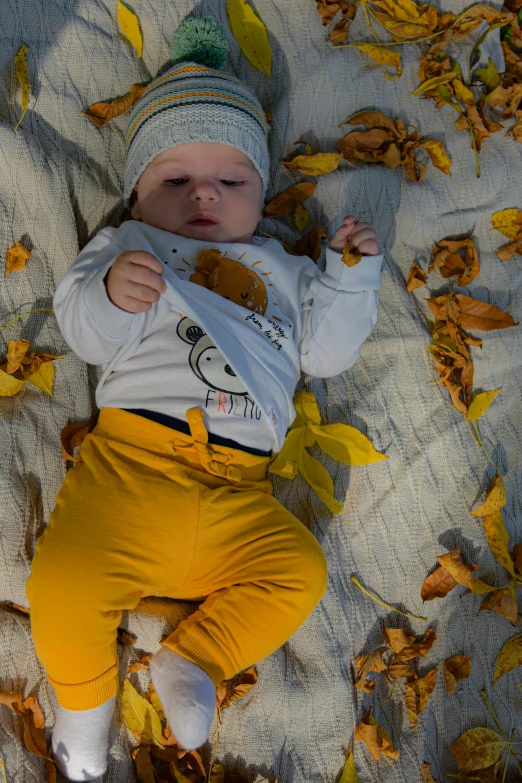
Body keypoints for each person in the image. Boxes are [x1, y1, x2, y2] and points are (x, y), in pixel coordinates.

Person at [25, 16, 383, 782]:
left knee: (300, 569)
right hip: (131, 471)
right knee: (61, 582)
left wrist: (350, 280)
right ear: (137, 191)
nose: (204, 197)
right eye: (174, 180)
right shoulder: (133, 247)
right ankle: (84, 730)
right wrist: (114, 298)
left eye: (230, 180)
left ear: (261, 188)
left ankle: (195, 656)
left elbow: (325, 350)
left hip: (236, 496)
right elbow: (80, 325)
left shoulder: (284, 270)